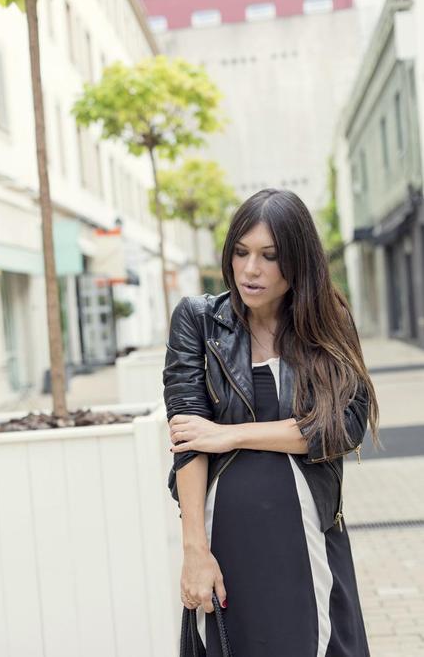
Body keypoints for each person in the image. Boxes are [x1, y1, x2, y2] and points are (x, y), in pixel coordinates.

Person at [163, 188, 380, 656]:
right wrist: (194, 551)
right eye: (240, 252)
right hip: (228, 534)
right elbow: (189, 440)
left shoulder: (328, 322)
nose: (250, 269)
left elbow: (340, 427)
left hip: (309, 532)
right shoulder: (199, 321)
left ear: (298, 261)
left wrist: (229, 434)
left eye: (269, 256)